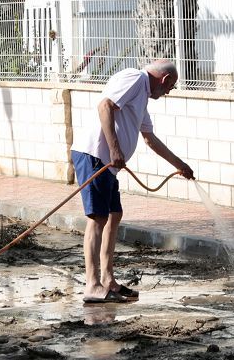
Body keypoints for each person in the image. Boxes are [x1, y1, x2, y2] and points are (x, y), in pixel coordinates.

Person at [71, 60, 194, 303]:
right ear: (164, 80)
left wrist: (180, 165)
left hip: (108, 165)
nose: (169, 92)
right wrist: (115, 149)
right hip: (95, 156)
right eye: (171, 87)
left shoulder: (142, 97)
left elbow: (150, 139)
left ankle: (108, 280)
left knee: (114, 214)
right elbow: (104, 106)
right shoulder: (135, 79)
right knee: (97, 218)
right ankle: (92, 285)